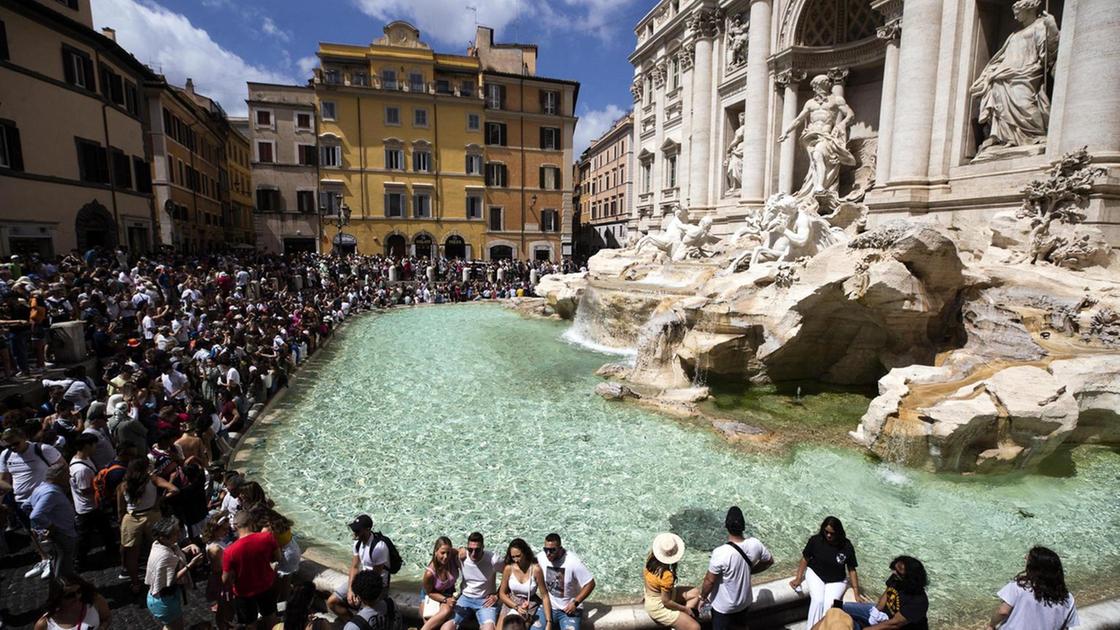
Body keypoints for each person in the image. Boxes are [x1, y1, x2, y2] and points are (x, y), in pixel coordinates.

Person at [0, 426, 64, 578]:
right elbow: (3, 480)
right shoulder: (5, 455)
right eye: (8, 445)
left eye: (15, 444)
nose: (13, 448)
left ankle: (59, 559)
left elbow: (63, 468)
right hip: (21, 502)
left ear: (24, 437)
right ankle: (45, 559)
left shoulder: (43, 449)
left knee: (51, 531)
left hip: (45, 499)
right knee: (32, 532)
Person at [699, 506, 774, 630]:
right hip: (744, 602)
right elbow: (769, 561)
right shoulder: (755, 544)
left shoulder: (720, 552)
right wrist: (751, 570)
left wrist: (702, 597)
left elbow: (709, 581)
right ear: (744, 526)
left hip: (723, 607)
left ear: (726, 526)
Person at [119, 457, 180, 593]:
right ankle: (163, 575)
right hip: (152, 515)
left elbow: (121, 508)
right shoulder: (152, 479)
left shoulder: (124, 484)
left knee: (132, 554)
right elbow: (175, 490)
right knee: (161, 547)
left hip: (132, 518)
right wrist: (160, 499)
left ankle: (135, 583)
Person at [790, 517, 862, 629]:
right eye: (826, 532)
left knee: (829, 605)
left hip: (837, 580)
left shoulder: (846, 546)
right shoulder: (815, 540)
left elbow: (852, 569)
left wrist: (856, 592)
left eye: (832, 533)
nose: (828, 535)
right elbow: (805, 558)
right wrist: (798, 578)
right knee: (818, 601)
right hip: (815, 574)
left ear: (838, 532)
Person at [988, 546, 1079, 630]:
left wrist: (991, 625)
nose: (1025, 558)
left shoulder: (1019, 586)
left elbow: (1003, 611)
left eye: (1028, 559)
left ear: (1034, 567)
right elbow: (1066, 627)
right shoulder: (1067, 598)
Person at [222, 509, 281, 630]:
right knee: (271, 617)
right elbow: (277, 557)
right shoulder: (267, 537)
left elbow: (226, 579)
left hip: (244, 592)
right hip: (266, 586)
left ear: (235, 526)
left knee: (250, 624)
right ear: (252, 523)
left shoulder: (229, 551)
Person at [328, 514, 391, 621]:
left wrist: (359, 595)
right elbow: (355, 567)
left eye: (358, 531)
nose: (355, 533)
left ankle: (359, 624)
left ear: (367, 530)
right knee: (332, 602)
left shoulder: (379, 548)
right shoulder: (357, 543)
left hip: (377, 585)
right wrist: (350, 590)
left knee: (364, 616)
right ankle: (352, 622)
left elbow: (374, 578)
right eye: (354, 530)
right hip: (362, 580)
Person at [146, 516, 204, 630]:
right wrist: (191, 564)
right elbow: (171, 580)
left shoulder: (163, 546)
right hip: (164, 601)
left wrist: (190, 546)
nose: (179, 535)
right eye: (176, 533)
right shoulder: (164, 556)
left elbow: (175, 556)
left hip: (162, 598)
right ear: (164, 537)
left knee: (170, 626)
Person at [69, 433, 117, 570]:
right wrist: (102, 485)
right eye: (94, 445)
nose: (96, 447)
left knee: (105, 530)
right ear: (86, 446)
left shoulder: (83, 459)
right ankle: (79, 562)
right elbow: (85, 490)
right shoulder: (81, 470)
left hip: (91, 506)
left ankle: (111, 550)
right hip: (88, 508)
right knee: (84, 538)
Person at [842, 556, 929, 630]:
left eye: (898, 572)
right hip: (883, 614)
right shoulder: (896, 578)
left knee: (855, 627)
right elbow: (887, 593)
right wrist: (876, 610)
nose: (894, 572)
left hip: (897, 626)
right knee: (841, 608)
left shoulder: (919, 601)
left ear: (910, 578)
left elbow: (894, 624)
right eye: (894, 569)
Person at [536, 533, 595, 630]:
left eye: (552, 550)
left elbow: (590, 583)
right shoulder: (541, 557)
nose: (548, 553)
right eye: (546, 549)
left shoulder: (573, 562)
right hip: (548, 608)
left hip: (569, 611)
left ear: (560, 548)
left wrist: (575, 602)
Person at [29, 465, 79, 579]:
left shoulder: (39, 488)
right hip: (62, 534)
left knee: (58, 562)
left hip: (58, 533)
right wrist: (50, 527)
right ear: (59, 476)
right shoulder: (51, 493)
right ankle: (65, 590)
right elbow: (35, 515)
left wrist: (39, 527)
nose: (69, 477)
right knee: (64, 567)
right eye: (67, 475)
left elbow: (26, 505)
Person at [643, 533, 700, 630]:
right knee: (695, 627)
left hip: (652, 597)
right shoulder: (666, 575)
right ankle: (683, 623)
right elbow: (666, 601)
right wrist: (685, 609)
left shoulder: (650, 558)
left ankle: (681, 624)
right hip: (659, 606)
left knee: (695, 592)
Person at [498, 538, 552, 630]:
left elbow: (545, 595)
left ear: (525, 553)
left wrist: (549, 621)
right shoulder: (508, 569)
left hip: (529, 603)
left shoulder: (536, 569)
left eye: (518, 556)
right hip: (511, 602)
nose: (515, 560)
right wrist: (516, 607)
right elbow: (502, 594)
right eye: (513, 557)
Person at [454, 532, 502, 630]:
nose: (473, 553)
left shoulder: (493, 560)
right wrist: (460, 549)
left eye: (477, 550)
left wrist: (497, 595)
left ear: (483, 547)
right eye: (470, 549)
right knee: (448, 625)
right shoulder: (462, 557)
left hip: (485, 601)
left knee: (489, 628)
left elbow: (509, 573)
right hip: (465, 598)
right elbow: (444, 549)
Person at [33, 574, 113, 630]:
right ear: (58, 598)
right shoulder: (44, 624)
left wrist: (102, 628)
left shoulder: (94, 601)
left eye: (79, 591)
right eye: (70, 595)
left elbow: (107, 618)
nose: (77, 597)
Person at [202, 512, 236, 630]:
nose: (227, 532)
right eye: (224, 529)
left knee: (224, 609)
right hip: (222, 582)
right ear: (215, 529)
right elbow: (220, 570)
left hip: (220, 580)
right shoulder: (215, 549)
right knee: (225, 609)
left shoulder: (214, 541)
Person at [420, 536, 460, 630]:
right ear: (436, 552)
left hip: (449, 592)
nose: (446, 556)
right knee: (434, 619)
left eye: (448, 553)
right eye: (442, 553)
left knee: (446, 611)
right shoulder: (430, 573)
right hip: (431, 595)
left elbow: (463, 551)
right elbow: (430, 593)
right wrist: (446, 600)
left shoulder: (452, 556)